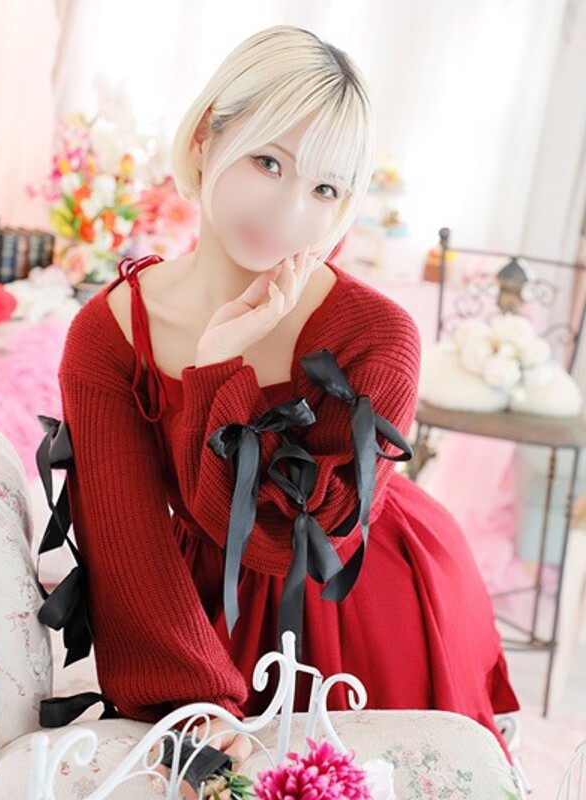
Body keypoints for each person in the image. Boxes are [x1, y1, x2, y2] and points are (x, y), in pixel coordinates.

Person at [50, 23, 519, 797]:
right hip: (200, 610)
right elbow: (125, 543)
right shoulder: (110, 334)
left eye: (325, 190)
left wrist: (218, 371)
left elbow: (295, 540)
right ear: (205, 139)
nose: (289, 210)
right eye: (268, 162)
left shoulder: (377, 337)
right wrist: (195, 704)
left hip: (362, 593)